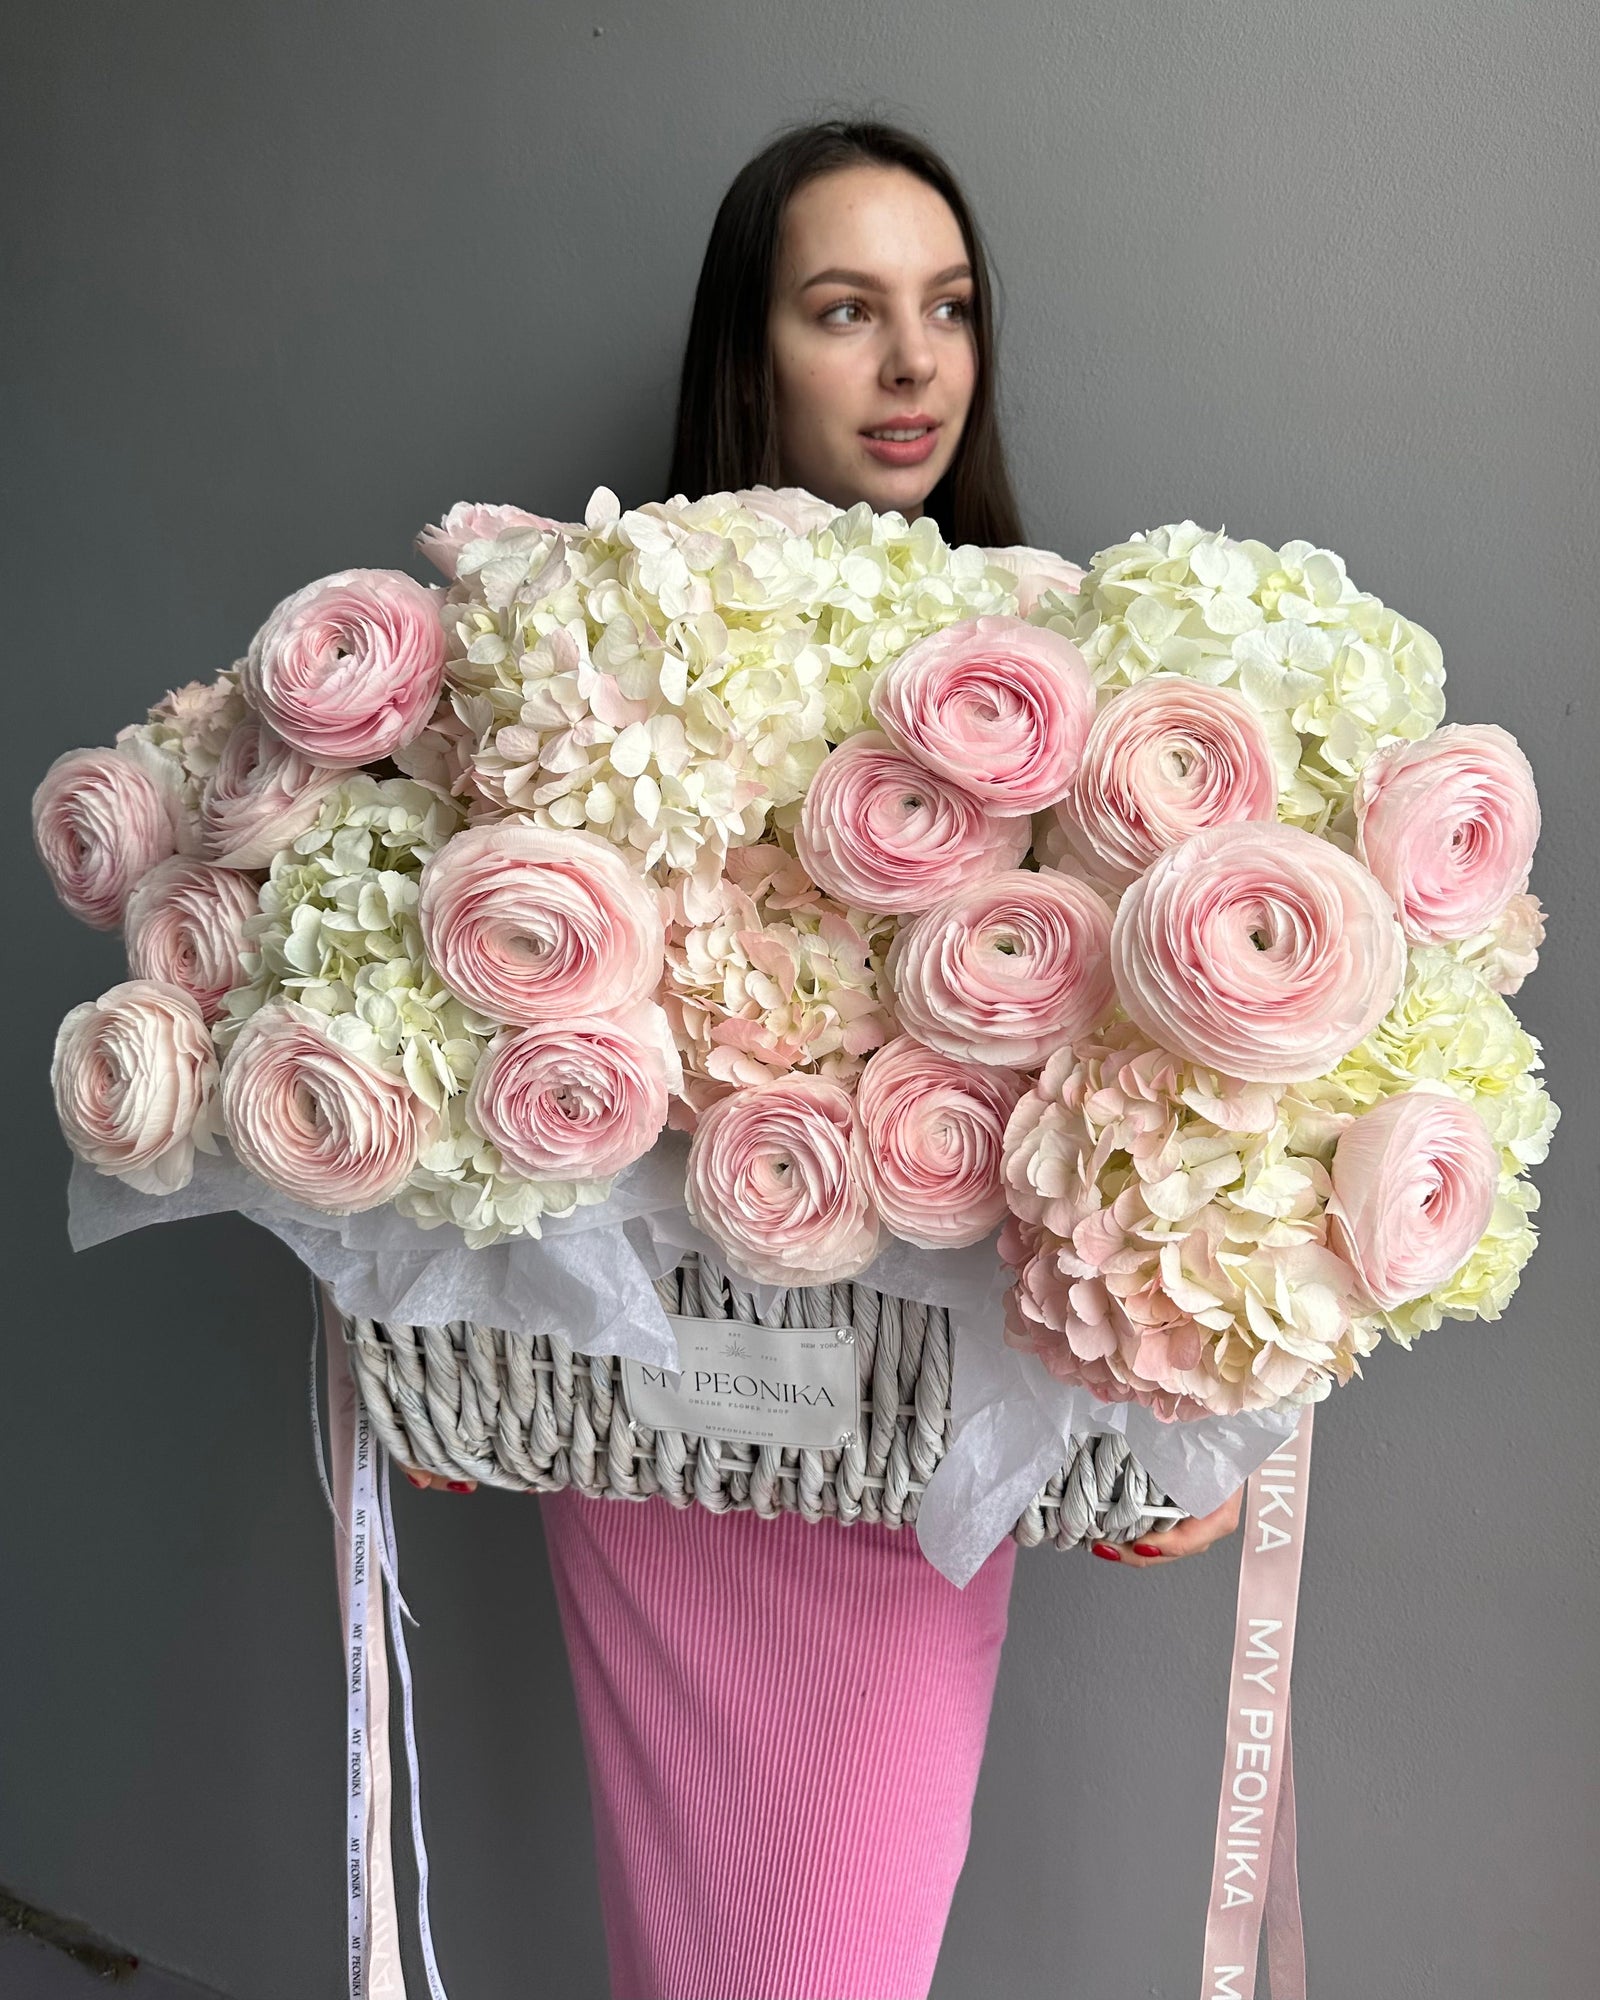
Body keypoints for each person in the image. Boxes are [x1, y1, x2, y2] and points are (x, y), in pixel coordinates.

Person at [397, 116, 1245, 2000]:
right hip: (653, 1429)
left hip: (901, 1437)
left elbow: (1140, 1112)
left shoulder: (1060, 678)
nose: (915, 361)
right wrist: (431, 1320)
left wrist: (1186, 1398)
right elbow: (474, 1020)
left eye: (946, 308)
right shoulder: (592, 657)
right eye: (845, 309)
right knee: (686, 1947)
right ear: (747, 349)